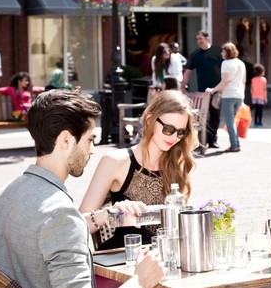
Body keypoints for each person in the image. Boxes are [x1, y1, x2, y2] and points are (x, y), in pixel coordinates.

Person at [0, 90, 165, 288]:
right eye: (90, 140)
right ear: (66, 140)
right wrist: (140, 282)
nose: (93, 149)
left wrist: (106, 216)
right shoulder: (60, 214)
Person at [80, 90, 198, 250]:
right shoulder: (115, 161)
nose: (174, 137)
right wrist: (110, 214)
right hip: (124, 262)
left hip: (169, 260)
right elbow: (79, 224)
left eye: (181, 132)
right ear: (149, 120)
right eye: (168, 129)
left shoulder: (179, 163)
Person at [182, 30, 223, 149]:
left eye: (201, 38)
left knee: (215, 115)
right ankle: (202, 139)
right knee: (203, 116)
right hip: (202, 92)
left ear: (207, 38)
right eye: (197, 39)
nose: (199, 41)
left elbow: (226, 69)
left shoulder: (218, 52)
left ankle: (213, 140)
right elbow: (188, 71)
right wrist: (182, 86)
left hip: (216, 90)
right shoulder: (195, 55)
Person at [206, 43, 246, 153]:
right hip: (239, 95)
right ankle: (236, 143)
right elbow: (244, 81)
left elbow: (224, 82)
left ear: (228, 52)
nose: (221, 53)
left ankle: (234, 145)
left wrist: (212, 90)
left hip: (228, 95)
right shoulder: (241, 63)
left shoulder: (226, 63)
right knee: (233, 121)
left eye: (223, 51)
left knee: (230, 122)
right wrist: (243, 97)